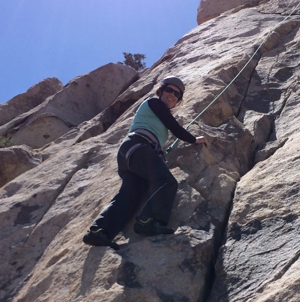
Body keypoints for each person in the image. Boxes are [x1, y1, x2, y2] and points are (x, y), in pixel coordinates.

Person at [83, 76, 208, 249]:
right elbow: (175, 127)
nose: (172, 95)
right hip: (138, 147)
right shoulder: (154, 104)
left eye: (177, 94)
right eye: (169, 90)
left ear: (179, 99)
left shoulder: (156, 114)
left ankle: (99, 231)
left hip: (131, 154)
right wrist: (194, 139)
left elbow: (165, 127)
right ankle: (148, 221)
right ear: (161, 91)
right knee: (166, 181)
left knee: (130, 196)